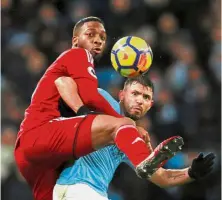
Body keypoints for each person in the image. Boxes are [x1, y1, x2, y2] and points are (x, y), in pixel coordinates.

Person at [14, 16, 183, 200]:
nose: (98, 40)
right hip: (41, 133)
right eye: (91, 34)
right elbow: (81, 90)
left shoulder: (71, 70)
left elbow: (64, 83)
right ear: (75, 40)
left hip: (36, 158)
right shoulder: (78, 54)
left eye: (102, 38)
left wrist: (191, 172)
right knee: (121, 124)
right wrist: (120, 122)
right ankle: (144, 161)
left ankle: (145, 160)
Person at [53, 76, 215, 200]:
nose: (139, 100)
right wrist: (84, 113)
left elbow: (160, 177)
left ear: (150, 105)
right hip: (76, 186)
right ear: (122, 95)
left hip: (89, 191)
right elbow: (63, 82)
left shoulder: (134, 138)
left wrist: (191, 173)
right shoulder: (102, 99)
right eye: (135, 93)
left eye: (145, 97)